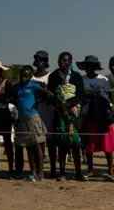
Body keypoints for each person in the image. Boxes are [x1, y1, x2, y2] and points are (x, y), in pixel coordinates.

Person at [47, 52, 87, 181]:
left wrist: (69, 105)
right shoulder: (53, 76)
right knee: (62, 143)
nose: (62, 63)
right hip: (59, 113)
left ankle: (78, 172)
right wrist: (60, 107)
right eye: (60, 60)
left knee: (76, 143)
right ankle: (62, 172)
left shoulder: (77, 77)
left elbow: (80, 94)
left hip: (74, 112)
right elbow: (51, 94)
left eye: (65, 61)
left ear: (70, 62)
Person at [12, 66, 53, 181]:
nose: (23, 78)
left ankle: (41, 173)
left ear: (30, 76)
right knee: (28, 146)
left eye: (26, 76)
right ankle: (33, 172)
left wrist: (38, 102)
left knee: (37, 145)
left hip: (32, 117)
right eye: (21, 76)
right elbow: (12, 97)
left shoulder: (34, 86)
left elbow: (48, 94)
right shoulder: (17, 88)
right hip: (22, 118)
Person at [77, 56, 114, 181]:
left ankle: (110, 170)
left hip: (102, 115)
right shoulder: (82, 80)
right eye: (87, 66)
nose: (89, 68)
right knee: (89, 144)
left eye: (91, 66)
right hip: (89, 114)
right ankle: (90, 169)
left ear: (95, 67)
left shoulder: (103, 79)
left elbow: (108, 96)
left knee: (107, 144)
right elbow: (81, 95)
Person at [31, 51, 56, 168]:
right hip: (34, 111)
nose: (37, 62)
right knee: (37, 140)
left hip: (47, 110)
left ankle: (52, 168)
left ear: (44, 62)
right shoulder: (31, 76)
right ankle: (39, 166)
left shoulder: (50, 76)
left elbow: (51, 93)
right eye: (36, 59)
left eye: (39, 60)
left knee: (50, 140)